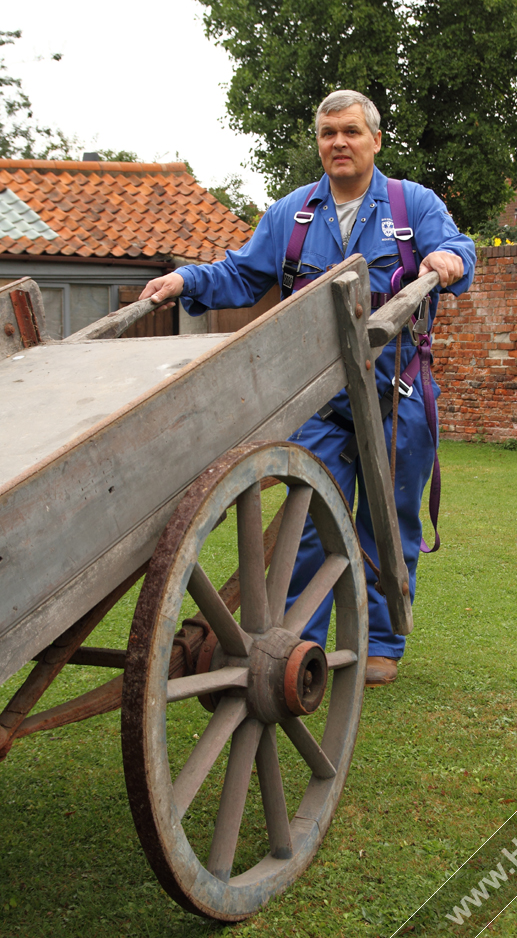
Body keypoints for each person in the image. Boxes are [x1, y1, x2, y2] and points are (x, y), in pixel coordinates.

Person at [140, 90, 476, 686]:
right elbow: (239, 274)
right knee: (309, 523)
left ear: (374, 140)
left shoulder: (412, 204)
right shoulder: (291, 215)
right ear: (318, 142)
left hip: (396, 397)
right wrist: (185, 279)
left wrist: (448, 260)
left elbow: (459, 250)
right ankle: (301, 645)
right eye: (328, 134)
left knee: (388, 522)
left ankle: (382, 643)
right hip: (317, 402)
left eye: (350, 132)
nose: (339, 143)